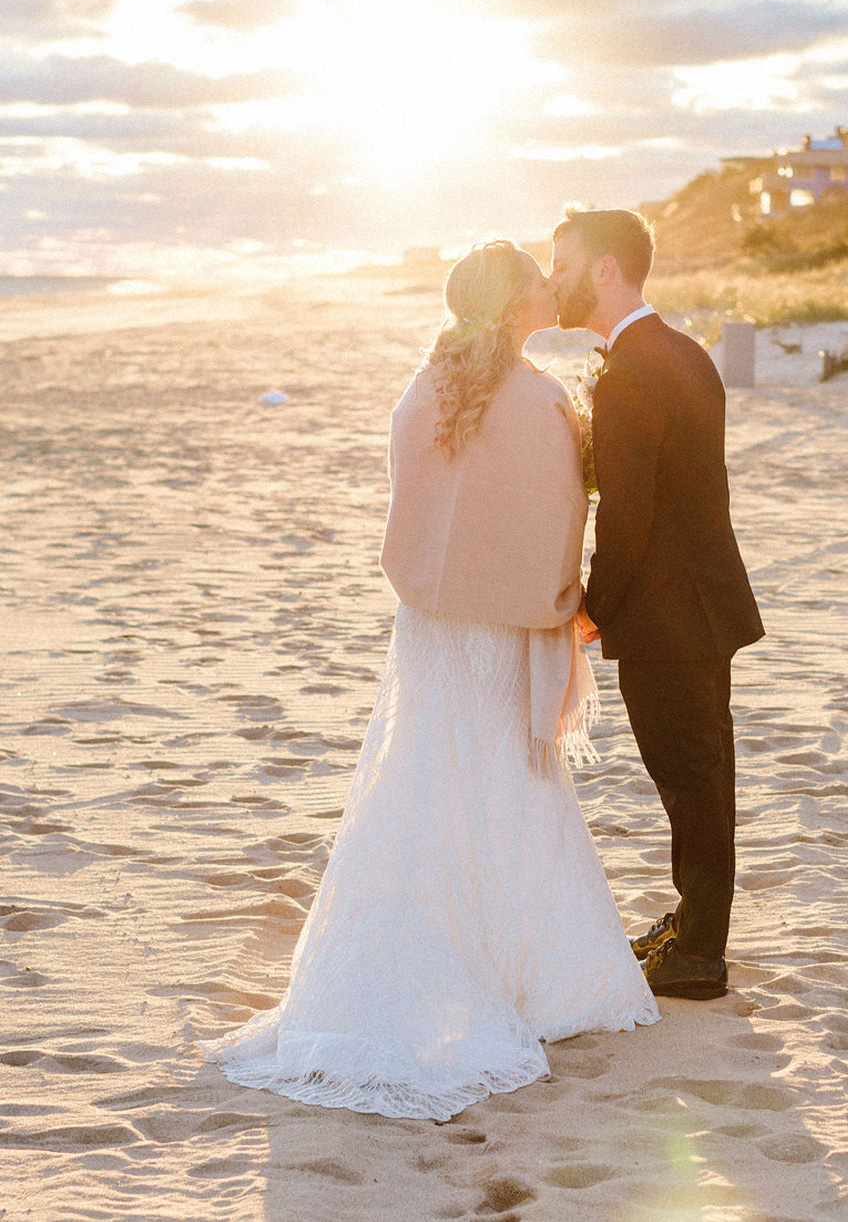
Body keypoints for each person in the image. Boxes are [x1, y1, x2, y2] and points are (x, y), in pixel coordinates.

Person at [198, 240, 657, 1120]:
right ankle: (520, 981)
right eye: (535, 281)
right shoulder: (541, 401)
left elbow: (417, 504)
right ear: (520, 303)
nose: (545, 289)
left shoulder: (425, 390)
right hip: (499, 629)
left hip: (430, 629)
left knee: (419, 781)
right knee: (508, 784)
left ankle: (403, 970)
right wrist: (565, 606)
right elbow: (556, 519)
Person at [551, 208, 764, 1001]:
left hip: (669, 614)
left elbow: (629, 514)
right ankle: (694, 925)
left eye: (564, 262)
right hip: (706, 602)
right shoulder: (683, 352)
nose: (556, 278)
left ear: (607, 269)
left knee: (689, 776)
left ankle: (701, 954)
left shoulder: (631, 373)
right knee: (705, 773)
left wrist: (593, 605)